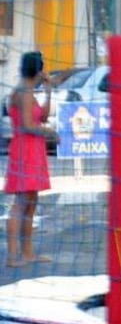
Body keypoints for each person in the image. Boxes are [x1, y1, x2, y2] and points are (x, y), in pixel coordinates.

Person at [5, 51, 59, 267]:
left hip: (31, 149)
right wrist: (49, 133)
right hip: (25, 149)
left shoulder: (29, 91)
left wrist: (48, 90)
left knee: (31, 202)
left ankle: (27, 253)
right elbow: (28, 125)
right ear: (38, 70)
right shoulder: (23, 93)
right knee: (21, 203)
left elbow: (43, 116)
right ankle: (12, 256)